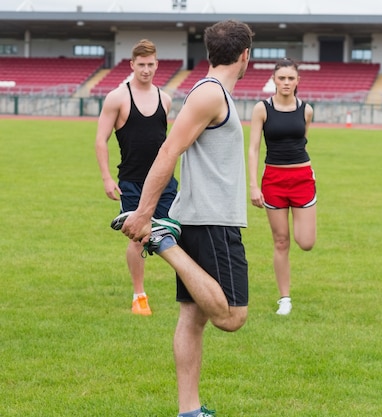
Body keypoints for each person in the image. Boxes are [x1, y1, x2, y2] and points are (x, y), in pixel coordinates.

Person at [110, 20, 254, 417]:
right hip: (212, 220)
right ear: (245, 56)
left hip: (203, 216)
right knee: (231, 316)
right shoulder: (210, 95)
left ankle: (188, 411)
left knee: (192, 317)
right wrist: (144, 216)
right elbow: (168, 151)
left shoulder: (212, 92)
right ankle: (162, 242)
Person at [95, 38, 176, 316]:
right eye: (140, 65)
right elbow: (100, 139)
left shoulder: (165, 99)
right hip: (131, 180)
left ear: (157, 65)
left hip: (164, 182)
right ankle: (139, 295)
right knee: (137, 237)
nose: (145, 70)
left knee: (173, 233)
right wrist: (107, 177)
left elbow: (167, 143)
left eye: (150, 64)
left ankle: (189, 291)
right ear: (132, 65)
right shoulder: (117, 97)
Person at [248, 58, 316, 315]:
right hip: (273, 180)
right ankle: (284, 298)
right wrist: (254, 185)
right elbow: (254, 148)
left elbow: (303, 140)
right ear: (274, 81)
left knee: (306, 242)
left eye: (291, 78)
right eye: (281, 78)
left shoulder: (306, 110)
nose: (286, 83)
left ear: (298, 81)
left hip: (302, 179)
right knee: (280, 241)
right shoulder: (261, 109)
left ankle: (286, 295)